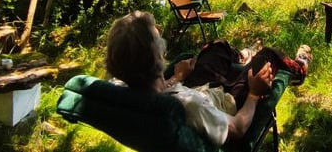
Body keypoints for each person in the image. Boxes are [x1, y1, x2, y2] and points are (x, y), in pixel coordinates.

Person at [105, 10, 311, 147]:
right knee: (269, 54)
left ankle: (241, 55)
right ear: (159, 57)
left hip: (190, 88)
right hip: (223, 101)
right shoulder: (188, 108)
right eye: (157, 36)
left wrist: (176, 77)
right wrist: (254, 94)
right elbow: (238, 128)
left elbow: (153, 92)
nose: (160, 32)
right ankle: (300, 67)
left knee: (217, 46)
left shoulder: (120, 88)